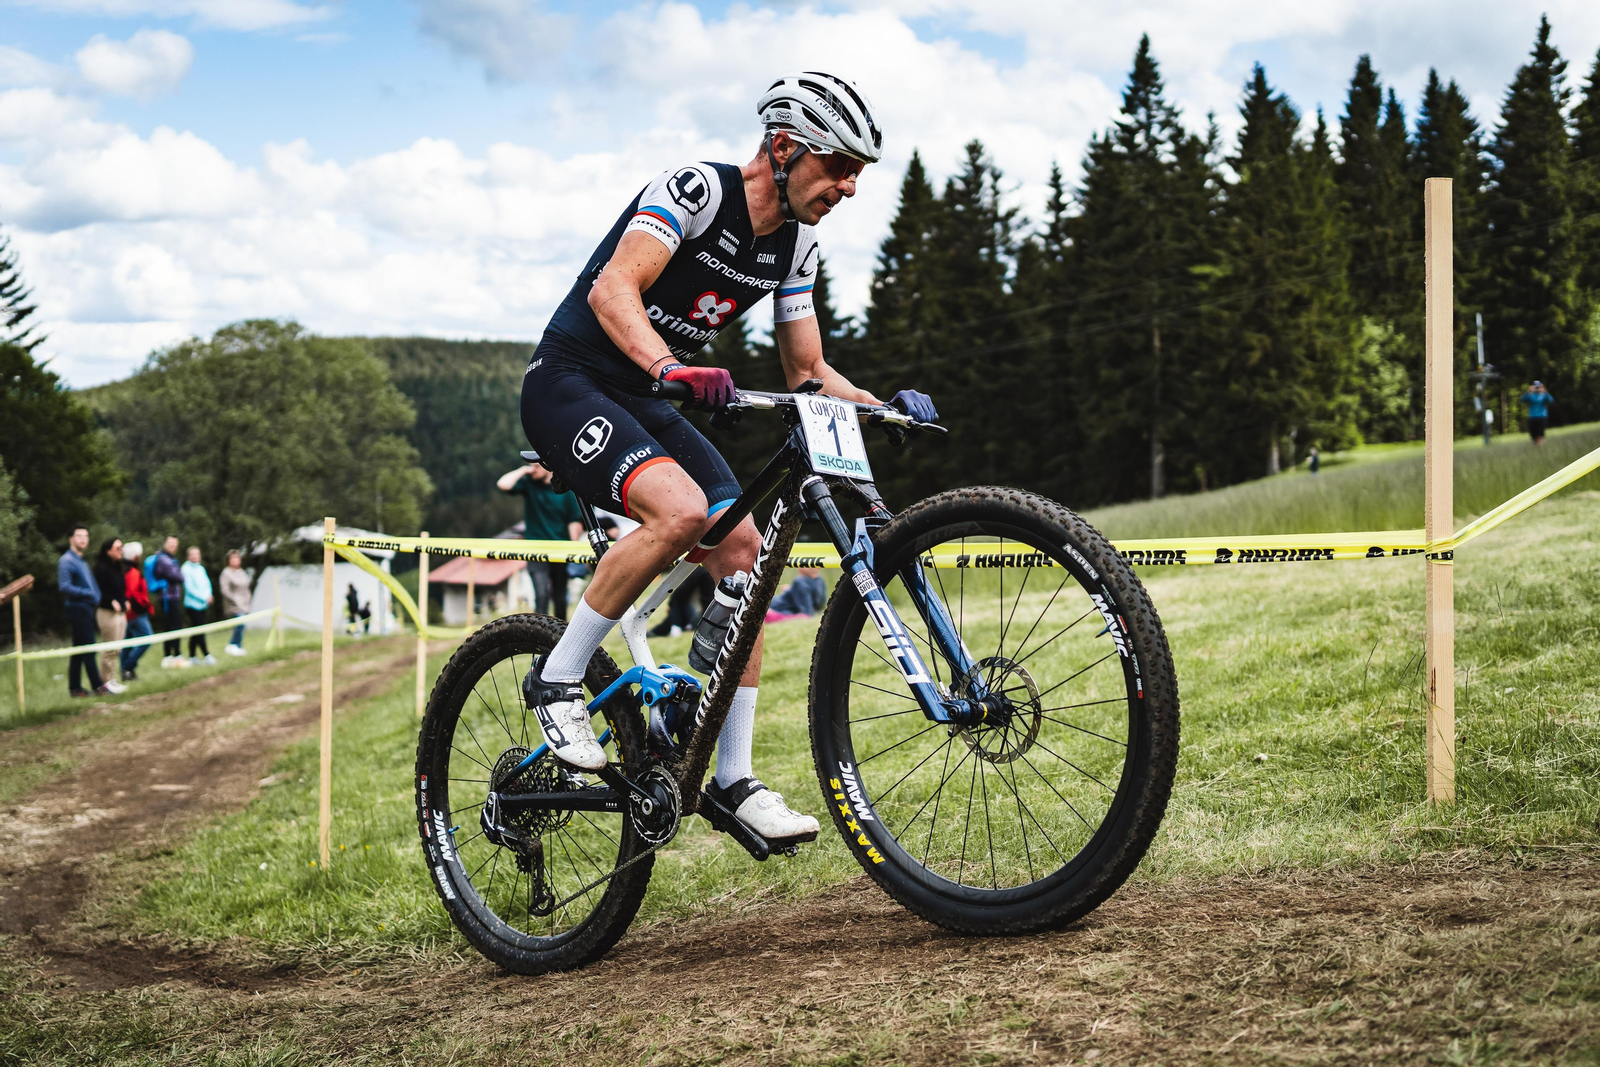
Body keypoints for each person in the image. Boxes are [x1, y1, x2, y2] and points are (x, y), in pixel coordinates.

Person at [517, 72, 935, 843]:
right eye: (838, 165)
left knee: (746, 550)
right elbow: (615, 290)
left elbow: (807, 372)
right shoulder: (696, 191)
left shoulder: (799, 244)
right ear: (783, 148)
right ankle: (555, 676)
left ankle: (734, 778)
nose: (848, 186)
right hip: (570, 383)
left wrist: (882, 408)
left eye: (858, 174)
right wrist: (669, 369)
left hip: (646, 396)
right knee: (678, 510)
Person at [497, 460, 586, 620]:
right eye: (531, 466)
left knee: (560, 597)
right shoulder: (529, 484)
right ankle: (540, 634)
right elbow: (503, 484)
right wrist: (523, 470)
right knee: (541, 594)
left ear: (547, 467)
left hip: (560, 550)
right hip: (535, 550)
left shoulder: (565, 490)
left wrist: (573, 550)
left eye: (536, 466)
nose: (533, 470)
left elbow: (574, 522)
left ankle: (560, 634)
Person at [58, 523, 124, 696]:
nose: (83, 539)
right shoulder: (66, 560)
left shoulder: (80, 560)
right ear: (71, 539)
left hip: (86, 609)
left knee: (78, 650)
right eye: (79, 536)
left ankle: (75, 688)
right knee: (88, 648)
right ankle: (98, 687)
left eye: (86, 536)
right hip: (77, 609)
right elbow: (64, 586)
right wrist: (88, 593)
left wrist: (94, 594)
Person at [92, 537, 127, 683]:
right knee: (109, 649)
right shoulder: (100, 569)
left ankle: (111, 680)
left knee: (117, 649)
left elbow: (119, 590)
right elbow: (96, 592)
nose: (121, 551)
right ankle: (105, 682)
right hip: (106, 613)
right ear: (108, 551)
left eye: (121, 548)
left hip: (120, 614)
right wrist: (110, 601)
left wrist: (124, 601)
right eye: (117, 548)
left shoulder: (117, 567)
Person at [149, 535, 187, 667]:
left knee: (172, 625)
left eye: (175, 544)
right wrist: (179, 575)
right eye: (170, 543)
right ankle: (172, 656)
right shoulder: (163, 559)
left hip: (173, 596)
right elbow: (177, 576)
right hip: (167, 597)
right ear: (165, 543)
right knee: (172, 625)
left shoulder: (171, 558)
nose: (173, 546)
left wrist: (178, 575)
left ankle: (172, 655)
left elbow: (177, 575)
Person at [121, 541, 153, 681]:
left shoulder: (124, 569)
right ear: (136, 556)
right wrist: (143, 606)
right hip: (136, 614)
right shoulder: (132, 572)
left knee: (127, 643)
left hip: (128, 615)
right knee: (147, 638)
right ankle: (127, 667)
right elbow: (132, 594)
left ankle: (127, 672)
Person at [181, 545, 216, 664]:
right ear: (188, 556)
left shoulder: (201, 568)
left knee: (196, 630)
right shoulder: (185, 568)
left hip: (203, 605)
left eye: (197, 554)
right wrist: (204, 597)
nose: (195, 556)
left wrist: (209, 595)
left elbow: (207, 583)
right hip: (192, 605)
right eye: (192, 554)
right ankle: (207, 654)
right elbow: (189, 588)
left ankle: (192, 656)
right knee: (199, 630)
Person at [220, 550, 251, 655]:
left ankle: (238, 646)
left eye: (237, 558)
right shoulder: (226, 573)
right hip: (233, 605)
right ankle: (232, 645)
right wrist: (236, 600)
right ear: (228, 560)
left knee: (242, 624)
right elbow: (225, 590)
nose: (235, 560)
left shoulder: (241, 572)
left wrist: (247, 601)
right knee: (240, 623)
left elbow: (246, 588)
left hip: (244, 604)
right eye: (233, 558)